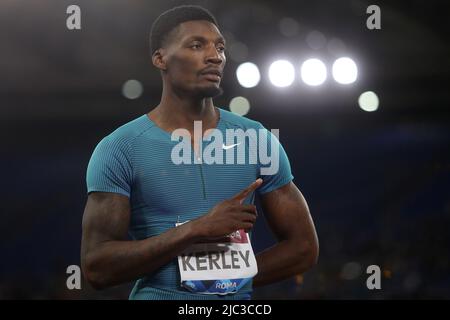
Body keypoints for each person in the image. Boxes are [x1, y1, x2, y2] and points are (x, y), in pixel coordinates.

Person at [81, 5, 318, 300]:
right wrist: (196, 229)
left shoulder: (256, 138)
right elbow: (97, 268)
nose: (215, 56)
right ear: (160, 58)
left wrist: (225, 278)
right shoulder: (120, 148)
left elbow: (304, 247)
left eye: (220, 47)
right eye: (196, 45)